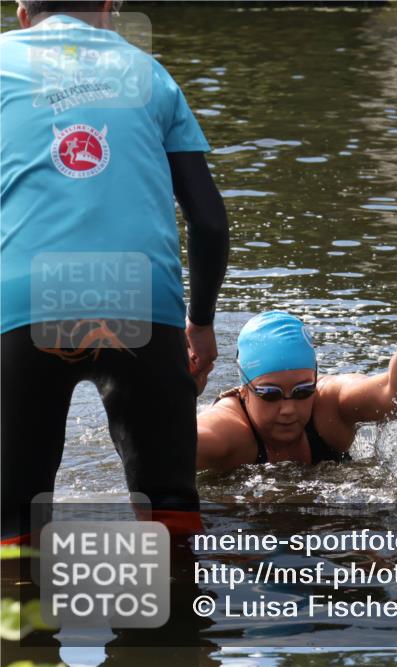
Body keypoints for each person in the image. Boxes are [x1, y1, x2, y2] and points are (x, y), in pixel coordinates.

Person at [1, 0, 229, 540]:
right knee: (169, 509)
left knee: (14, 518)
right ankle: (175, 616)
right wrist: (199, 323)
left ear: (22, 15)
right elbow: (210, 222)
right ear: (107, 9)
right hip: (140, 299)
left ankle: (20, 618)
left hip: (24, 300)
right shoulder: (149, 73)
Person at [196, 311, 397, 472]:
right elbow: (168, 445)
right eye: (270, 394)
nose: (289, 409)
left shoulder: (329, 404)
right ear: (244, 389)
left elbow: (391, 396)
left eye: (303, 391)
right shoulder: (228, 433)